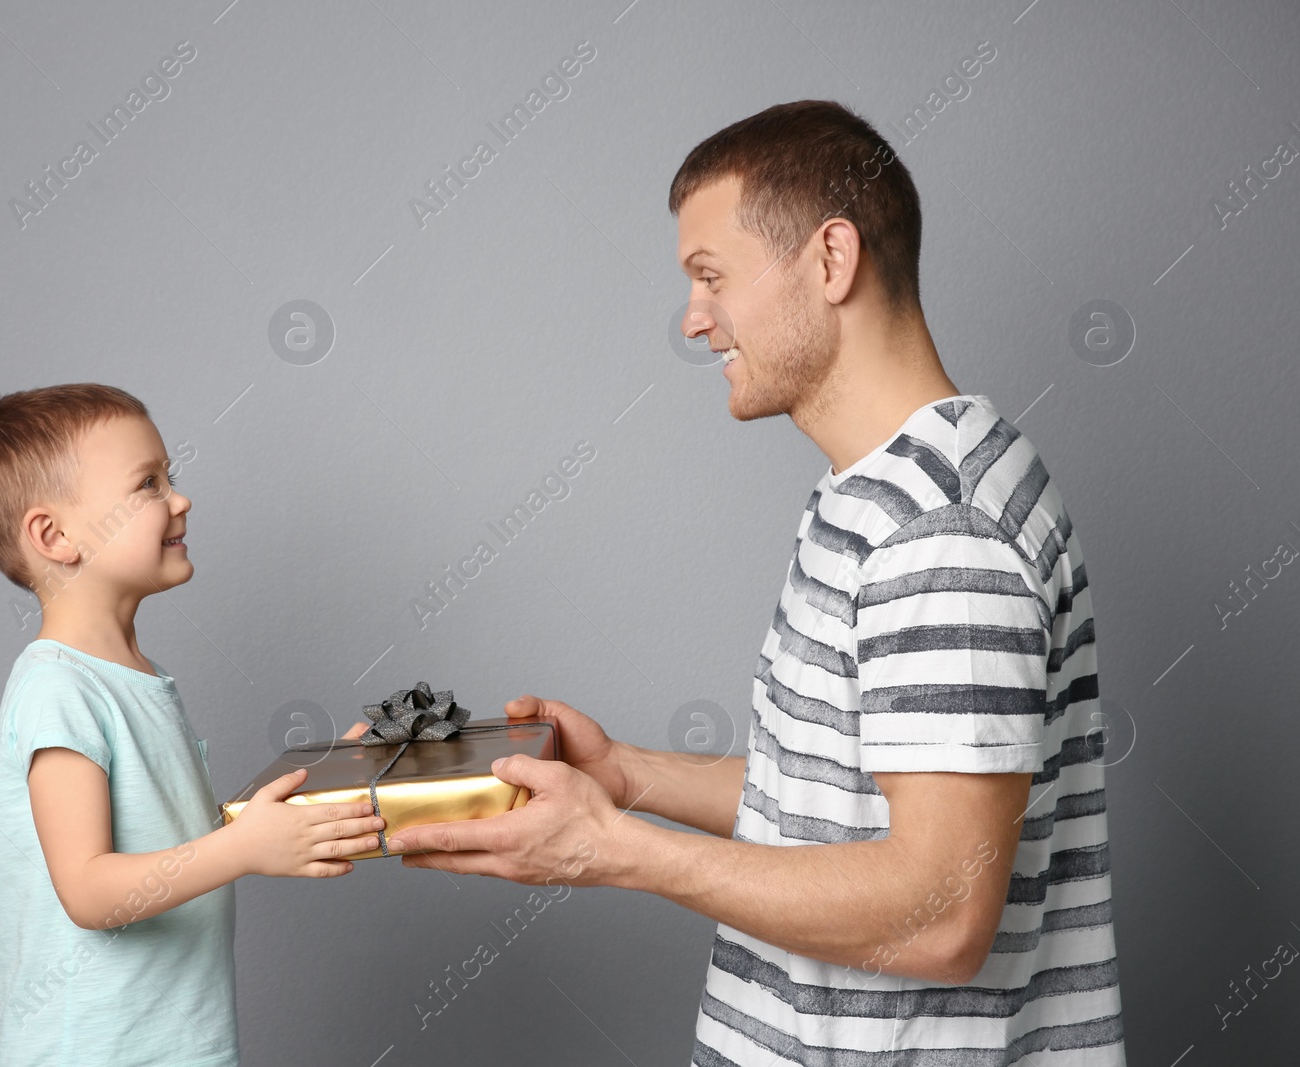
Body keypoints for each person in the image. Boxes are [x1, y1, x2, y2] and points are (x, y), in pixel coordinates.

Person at [383, 101, 1126, 1064]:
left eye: (710, 277)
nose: (693, 321)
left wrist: (617, 850)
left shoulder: (943, 532)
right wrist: (628, 777)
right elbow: (837, 813)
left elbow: (943, 914)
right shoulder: (874, 496)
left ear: (830, 259)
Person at [0, 383, 385, 1066]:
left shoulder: (136, 676)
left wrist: (279, 814)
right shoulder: (58, 688)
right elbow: (89, 889)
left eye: (169, 476)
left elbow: (164, 835)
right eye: (147, 483)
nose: (179, 498)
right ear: (54, 535)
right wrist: (242, 849)